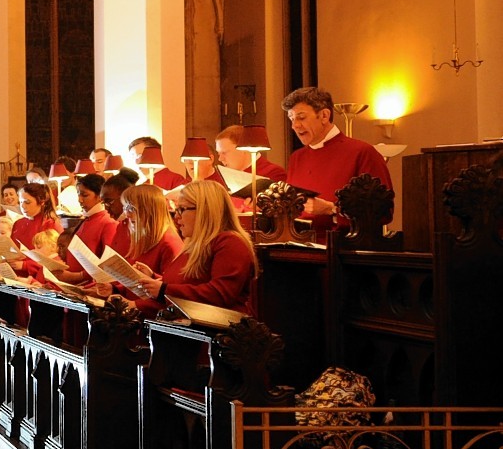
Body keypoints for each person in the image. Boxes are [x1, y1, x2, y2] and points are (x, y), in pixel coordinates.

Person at [132, 180, 257, 315]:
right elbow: (190, 282)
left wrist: (164, 289)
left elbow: (220, 294)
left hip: (217, 331)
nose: (177, 217)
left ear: (205, 210)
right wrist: (153, 278)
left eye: (182, 209)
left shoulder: (230, 243)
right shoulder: (194, 244)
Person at [282, 86, 392, 224]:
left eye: (301, 117)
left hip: (343, 244)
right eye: (291, 119)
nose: (295, 126)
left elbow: (383, 211)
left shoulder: (362, 152)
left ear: (324, 116)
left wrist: (332, 209)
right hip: (297, 242)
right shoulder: (297, 158)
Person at [206, 123, 288, 211]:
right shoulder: (223, 177)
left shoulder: (274, 173)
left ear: (243, 149)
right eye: (218, 153)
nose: (220, 158)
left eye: (224, 153)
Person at [55, 173, 116, 285]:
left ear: (99, 196)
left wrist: (77, 276)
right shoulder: (85, 220)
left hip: (90, 286)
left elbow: (108, 264)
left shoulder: (108, 223)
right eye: (78, 194)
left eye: (85, 195)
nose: (80, 200)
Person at [113, 184, 184, 276]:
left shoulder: (169, 244)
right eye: (125, 208)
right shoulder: (141, 234)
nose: (127, 215)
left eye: (131, 208)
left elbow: (170, 285)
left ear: (149, 210)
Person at [11, 182, 58, 278]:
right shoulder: (18, 223)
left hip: (38, 278)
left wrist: (25, 265)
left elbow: (53, 260)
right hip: (16, 276)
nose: (23, 206)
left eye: (27, 202)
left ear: (41, 202)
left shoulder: (50, 224)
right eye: (20, 202)